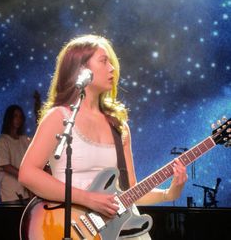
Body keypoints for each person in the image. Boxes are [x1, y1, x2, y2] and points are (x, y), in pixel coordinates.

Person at [19, 34, 187, 239]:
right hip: (70, 228)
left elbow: (130, 191)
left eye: (111, 62)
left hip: (123, 230)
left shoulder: (119, 126)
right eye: (103, 61)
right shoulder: (59, 117)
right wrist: (88, 199)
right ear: (82, 70)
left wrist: (170, 194)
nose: (112, 68)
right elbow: (27, 173)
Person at [0, 105, 32, 204]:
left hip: (26, 194)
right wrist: (27, 177)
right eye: (15, 116)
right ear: (9, 118)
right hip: (10, 196)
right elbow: (6, 166)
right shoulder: (2, 141)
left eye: (20, 116)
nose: (18, 119)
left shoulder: (24, 140)